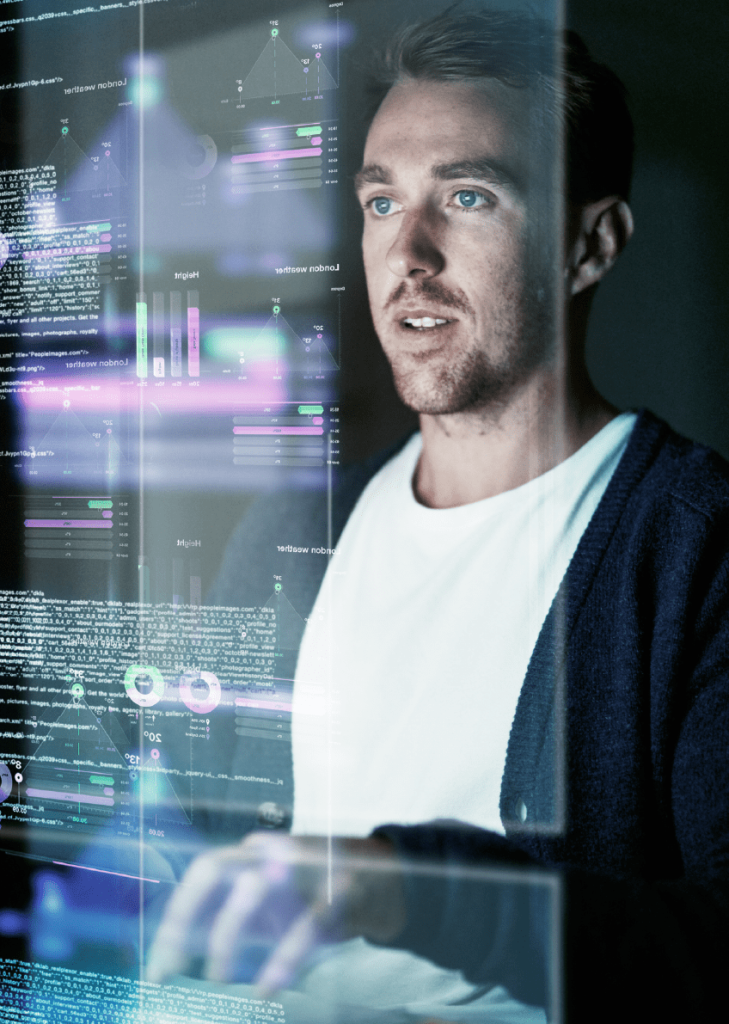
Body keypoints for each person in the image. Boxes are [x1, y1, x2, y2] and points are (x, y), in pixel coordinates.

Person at [147, 6, 729, 1022]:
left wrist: (409, 887)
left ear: (590, 244)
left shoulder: (693, 543)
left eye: (465, 196)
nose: (407, 253)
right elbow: (195, 837)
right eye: (381, 203)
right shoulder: (293, 537)